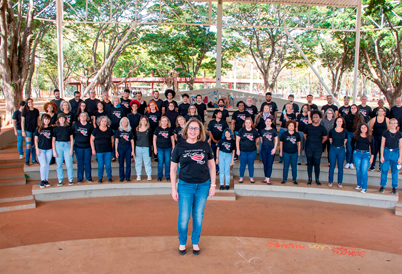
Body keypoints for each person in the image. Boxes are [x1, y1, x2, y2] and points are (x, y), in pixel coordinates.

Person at [170, 119, 216, 256]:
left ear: (200, 131)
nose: (193, 131)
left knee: (198, 216)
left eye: (196, 128)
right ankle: (182, 242)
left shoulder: (205, 146)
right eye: (190, 128)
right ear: (186, 130)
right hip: (185, 186)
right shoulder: (179, 146)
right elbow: (173, 169)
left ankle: (195, 242)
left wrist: (213, 185)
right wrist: (173, 188)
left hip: (203, 185)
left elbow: (212, 166)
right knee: (184, 217)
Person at [304, 111, 328, 186]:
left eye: (317, 117)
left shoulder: (322, 128)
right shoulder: (308, 126)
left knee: (317, 164)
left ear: (319, 118)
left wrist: (319, 143)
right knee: (309, 163)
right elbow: (305, 136)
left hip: (318, 148)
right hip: (309, 147)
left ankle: (317, 179)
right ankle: (310, 179)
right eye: (314, 117)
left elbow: (325, 138)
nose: (315, 118)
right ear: (312, 118)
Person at [379, 118, 402, 195]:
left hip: (395, 152)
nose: (393, 125)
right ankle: (382, 186)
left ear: (397, 124)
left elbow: (401, 146)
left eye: (394, 123)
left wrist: (400, 157)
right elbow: (382, 145)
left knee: (395, 171)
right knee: (384, 170)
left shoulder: (399, 134)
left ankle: (394, 187)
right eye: (391, 123)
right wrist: (382, 156)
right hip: (386, 152)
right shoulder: (385, 133)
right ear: (389, 124)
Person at [52, 113, 74, 186]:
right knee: (59, 164)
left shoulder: (69, 128)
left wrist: (71, 149)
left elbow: (71, 139)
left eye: (63, 118)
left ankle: (70, 179)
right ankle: (60, 179)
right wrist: (54, 151)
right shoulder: (55, 129)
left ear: (65, 119)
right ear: (58, 119)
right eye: (60, 118)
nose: (61, 119)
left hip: (67, 145)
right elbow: (53, 140)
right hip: (58, 145)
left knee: (69, 164)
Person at [351, 123, 374, 193]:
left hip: (366, 155)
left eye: (365, 127)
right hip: (357, 153)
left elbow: (373, 148)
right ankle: (359, 185)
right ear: (360, 129)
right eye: (362, 128)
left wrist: (372, 157)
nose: (363, 129)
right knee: (358, 170)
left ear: (367, 128)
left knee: (364, 171)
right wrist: (355, 150)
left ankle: (364, 187)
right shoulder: (356, 136)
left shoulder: (370, 137)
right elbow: (352, 144)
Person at [236, 117, 260, 183]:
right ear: (245, 123)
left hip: (252, 151)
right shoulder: (241, 130)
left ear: (251, 123)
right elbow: (237, 140)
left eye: (249, 122)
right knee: (242, 164)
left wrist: (254, 142)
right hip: (242, 151)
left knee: (251, 165)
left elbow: (258, 138)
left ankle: (251, 178)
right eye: (246, 122)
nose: (248, 124)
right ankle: (241, 178)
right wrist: (238, 149)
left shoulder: (254, 131)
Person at [91, 116, 114, 183]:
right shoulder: (96, 130)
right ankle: (100, 178)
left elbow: (112, 140)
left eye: (105, 121)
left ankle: (109, 177)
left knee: (108, 165)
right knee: (100, 165)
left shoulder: (109, 130)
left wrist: (111, 147)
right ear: (99, 122)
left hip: (108, 150)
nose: (104, 122)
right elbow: (91, 139)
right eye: (102, 121)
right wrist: (93, 149)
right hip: (99, 150)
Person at [73, 112, 94, 183]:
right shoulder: (76, 124)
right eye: (81, 115)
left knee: (87, 162)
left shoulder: (90, 126)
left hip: (87, 147)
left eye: (84, 116)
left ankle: (88, 177)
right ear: (79, 117)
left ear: (87, 117)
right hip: (78, 147)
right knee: (80, 163)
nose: (83, 117)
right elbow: (72, 134)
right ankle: (80, 178)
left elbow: (92, 136)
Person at [328, 117, 348, 188]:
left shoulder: (345, 131)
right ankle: (330, 181)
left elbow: (345, 140)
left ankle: (340, 182)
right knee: (332, 166)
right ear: (335, 122)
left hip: (341, 149)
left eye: (340, 121)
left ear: (342, 123)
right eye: (338, 121)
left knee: (340, 167)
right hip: (333, 149)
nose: (339, 122)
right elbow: (330, 140)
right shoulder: (332, 131)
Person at [154, 116, 175, 181]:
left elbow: (172, 139)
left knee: (167, 162)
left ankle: (167, 176)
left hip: (168, 148)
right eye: (163, 121)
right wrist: (155, 148)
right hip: (159, 148)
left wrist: (173, 148)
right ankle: (159, 176)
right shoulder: (157, 129)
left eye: (165, 121)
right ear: (161, 122)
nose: (164, 122)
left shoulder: (170, 129)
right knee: (160, 162)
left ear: (167, 122)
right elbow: (154, 139)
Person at [34, 114, 53, 188]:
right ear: (42, 120)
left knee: (47, 165)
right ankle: (42, 180)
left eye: (48, 119)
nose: (47, 120)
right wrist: (37, 149)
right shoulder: (39, 128)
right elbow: (35, 139)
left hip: (49, 149)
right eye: (45, 119)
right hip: (41, 149)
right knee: (43, 164)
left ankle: (46, 180)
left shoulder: (51, 129)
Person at [344, 104, 365, 169]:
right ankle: (348, 162)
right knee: (349, 148)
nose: (353, 109)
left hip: (356, 134)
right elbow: (344, 125)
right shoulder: (347, 116)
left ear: (357, 109)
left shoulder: (360, 117)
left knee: (355, 148)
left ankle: (352, 163)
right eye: (352, 108)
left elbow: (362, 125)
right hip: (348, 133)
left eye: (354, 108)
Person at [280, 120, 300, 185]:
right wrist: (281, 152)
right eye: (290, 125)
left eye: (292, 126)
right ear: (287, 126)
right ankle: (284, 179)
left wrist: (299, 152)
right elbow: (281, 143)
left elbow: (299, 143)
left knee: (294, 167)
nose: (291, 127)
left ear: (294, 127)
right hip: (286, 152)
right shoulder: (284, 134)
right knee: (286, 166)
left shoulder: (297, 134)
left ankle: (294, 179)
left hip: (294, 152)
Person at [369, 107, 389, 171]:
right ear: (377, 112)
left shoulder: (387, 120)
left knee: (382, 152)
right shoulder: (374, 119)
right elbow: (370, 128)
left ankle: (381, 166)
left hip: (383, 138)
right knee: (374, 151)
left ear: (384, 112)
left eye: (382, 111)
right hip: (375, 137)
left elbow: (388, 129)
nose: (380, 112)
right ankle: (372, 166)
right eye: (379, 111)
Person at [115, 117, 135, 182]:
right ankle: (121, 177)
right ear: (121, 123)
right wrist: (116, 151)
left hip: (128, 148)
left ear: (128, 123)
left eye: (126, 121)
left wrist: (133, 151)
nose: (124, 122)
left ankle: (127, 177)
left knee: (128, 163)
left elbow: (132, 141)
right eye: (123, 121)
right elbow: (116, 141)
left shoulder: (130, 131)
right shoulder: (118, 131)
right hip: (120, 147)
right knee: (121, 164)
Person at [21, 98, 40, 165]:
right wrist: (23, 131)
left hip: (35, 129)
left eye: (31, 102)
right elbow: (22, 121)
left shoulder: (36, 111)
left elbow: (38, 120)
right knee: (28, 145)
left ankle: (34, 160)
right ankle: (27, 160)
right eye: (29, 102)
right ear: (27, 103)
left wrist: (39, 128)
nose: (30, 103)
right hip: (27, 130)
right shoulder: (25, 111)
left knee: (34, 145)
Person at [261, 117, 278, 184]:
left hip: (271, 148)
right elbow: (261, 139)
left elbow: (276, 140)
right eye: (267, 121)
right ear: (265, 122)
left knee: (269, 164)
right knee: (265, 164)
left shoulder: (273, 130)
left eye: (269, 121)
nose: (268, 122)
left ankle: (268, 178)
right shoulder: (262, 131)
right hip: (264, 148)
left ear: (271, 122)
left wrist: (274, 148)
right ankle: (265, 177)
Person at [135, 116, 153, 181]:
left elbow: (151, 139)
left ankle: (149, 175)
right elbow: (135, 139)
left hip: (146, 147)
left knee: (147, 162)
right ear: (140, 121)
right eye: (142, 120)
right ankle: (138, 175)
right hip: (138, 147)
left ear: (147, 122)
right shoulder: (137, 129)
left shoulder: (149, 129)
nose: (143, 121)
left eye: (145, 120)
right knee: (138, 162)